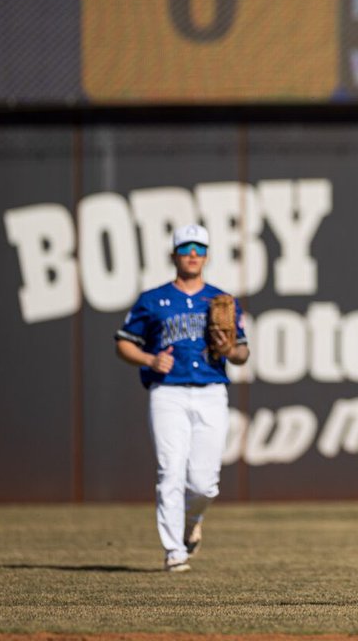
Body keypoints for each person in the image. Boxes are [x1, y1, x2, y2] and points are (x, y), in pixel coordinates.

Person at [115, 224, 249, 573]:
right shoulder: (153, 300)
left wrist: (229, 349)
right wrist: (149, 359)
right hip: (168, 391)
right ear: (173, 254)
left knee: (205, 483)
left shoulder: (220, 300)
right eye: (186, 248)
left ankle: (191, 521)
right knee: (170, 470)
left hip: (211, 391)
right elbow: (124, 342)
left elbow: (243, 353)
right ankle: (174, 550)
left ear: (206, 256)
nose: (192, 254)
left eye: (199, 249)